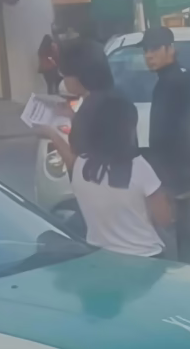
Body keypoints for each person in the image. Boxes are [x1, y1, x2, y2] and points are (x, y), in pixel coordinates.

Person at [37, 92, 173, 257]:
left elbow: (69, 154)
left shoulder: (81, 165)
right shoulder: (140, 167)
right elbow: (164, 218)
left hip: (100, 256)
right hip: (145, 256)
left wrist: (52, 132)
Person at [140, 26, 190, 264]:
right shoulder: (184, 77)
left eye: (155, 49)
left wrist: (159, 176)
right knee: (189, 235)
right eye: (146, 50)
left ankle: (174, 283)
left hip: (169, 173)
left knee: (167, 235)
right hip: (183, 170)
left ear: (171, 49)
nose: (149, 55)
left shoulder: (170, 83)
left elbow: (165, 135)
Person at [57, 39, 118, 157]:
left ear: (79, 76)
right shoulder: (111, 97)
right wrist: (72, 115)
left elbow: (77, 163)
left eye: (64, 74)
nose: (63, 80)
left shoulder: (91, 109)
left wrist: (50, 133)